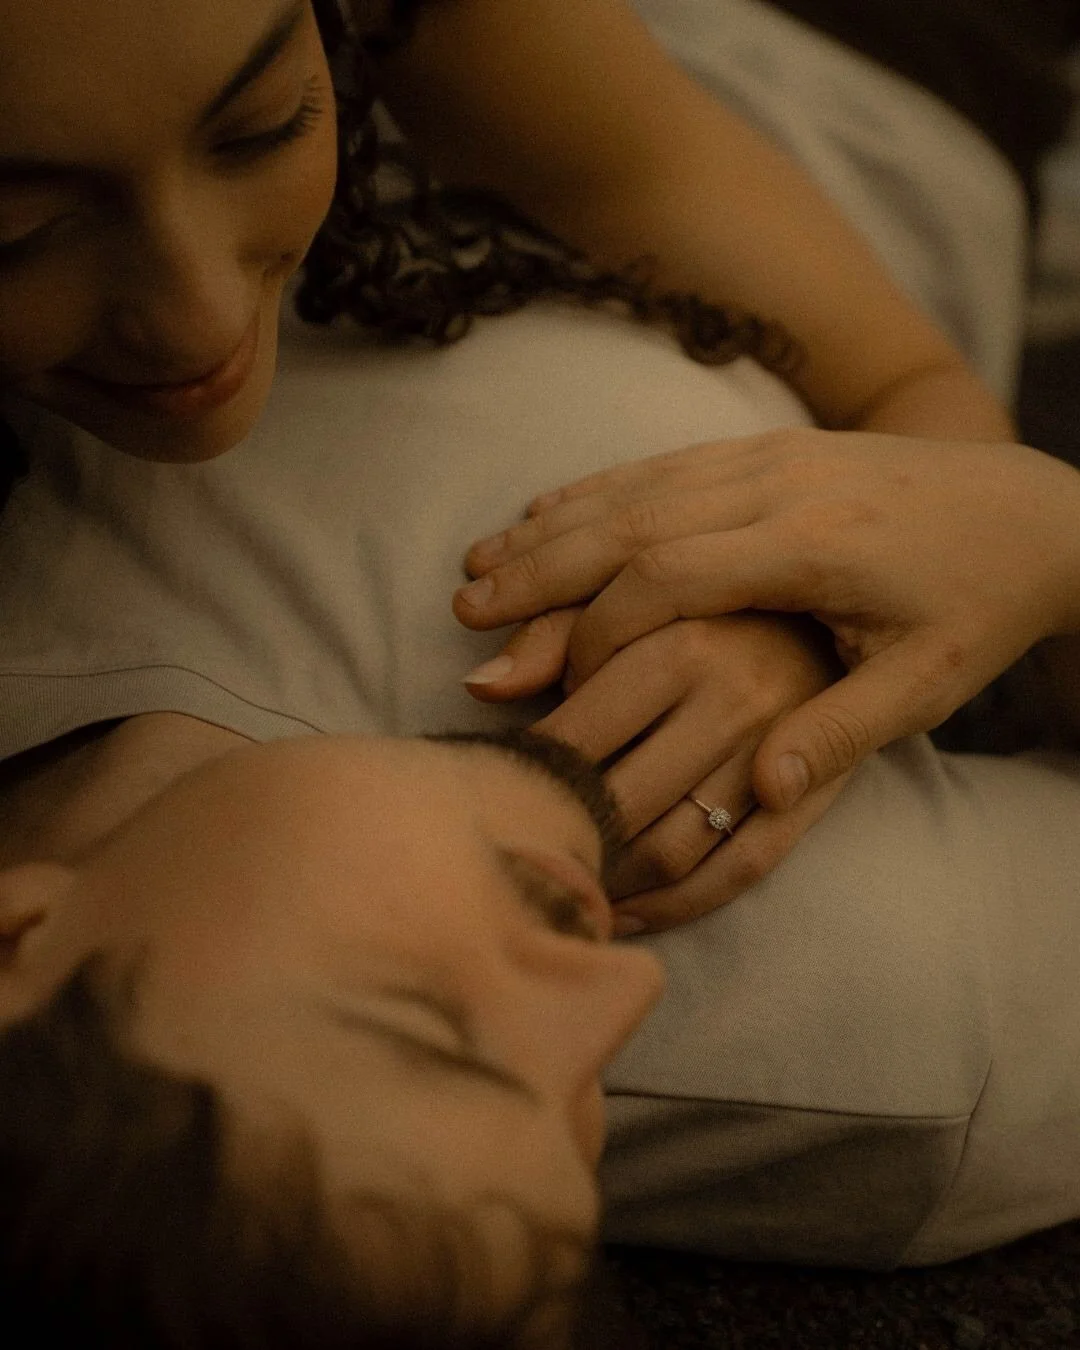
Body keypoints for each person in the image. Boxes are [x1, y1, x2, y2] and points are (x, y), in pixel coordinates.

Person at [1, 0, 1078, 1341]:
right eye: (578, 1143)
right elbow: (905, 372)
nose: (615, 997)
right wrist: (1034, 532)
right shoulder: (870, 1027)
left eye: (421, 1024)